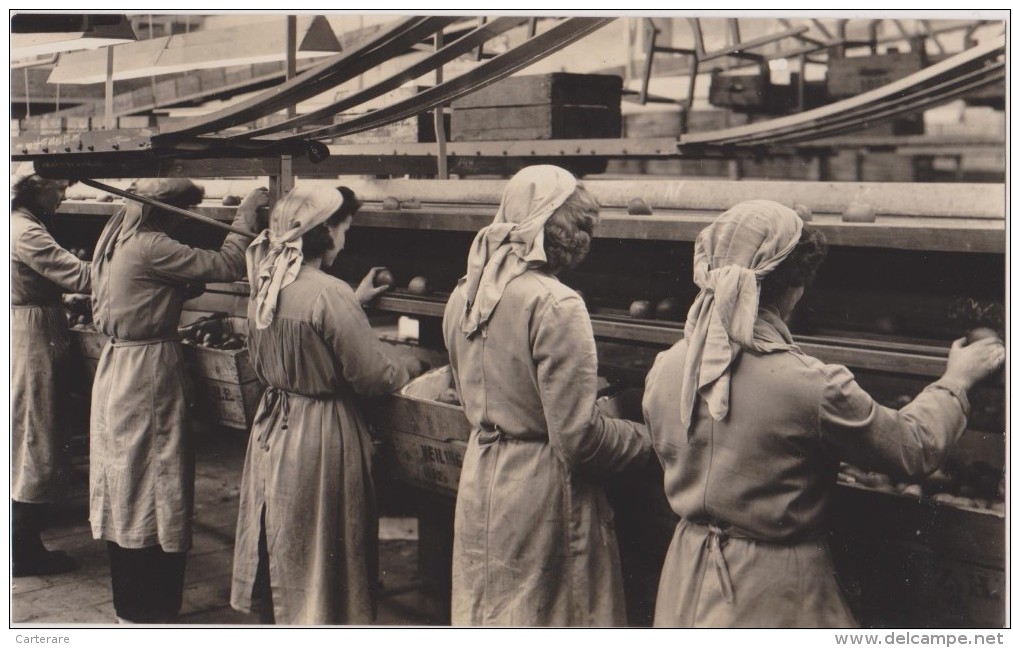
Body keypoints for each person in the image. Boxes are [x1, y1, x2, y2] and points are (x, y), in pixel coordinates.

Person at [642, 200, 1005, 628]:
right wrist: (956, 382)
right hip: (773, 589)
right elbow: (914, 449)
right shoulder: (810, 384)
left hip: (688, 570)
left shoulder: (666, 366)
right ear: (794, 289)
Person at [442, 165, 652, 626]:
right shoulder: (555, 302)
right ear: (565, 233)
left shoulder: (466, 293)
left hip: (484, 473)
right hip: (542, 489)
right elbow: (578, 439)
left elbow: (466, 389)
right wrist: (645, 439)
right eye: (583, 228)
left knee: (492, 609)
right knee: (551, 614)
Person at [231, 184, 424, 625]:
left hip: (274, 426)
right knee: (322, 547)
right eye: (344, 228)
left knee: (280, 534)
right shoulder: (328, 293)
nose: (346, 239)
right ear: (324, 233)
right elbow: (371, 376)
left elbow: (300, 327)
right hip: (319, 435)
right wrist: (409, 366)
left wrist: (354, 303)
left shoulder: (268, 281)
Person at [89, 179, 266, 623]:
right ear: (163, 211)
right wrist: (246, 214)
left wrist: (173, 290)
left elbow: (143, 290)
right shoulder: (151, 245)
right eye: (182, 212)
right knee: (156, 479)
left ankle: (130, 603)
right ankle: (152, 607)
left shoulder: (115, 238)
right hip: (146, 373)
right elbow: (228, 263)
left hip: (117, 365)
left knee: (126, 482)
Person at [11, 173, 91, 577]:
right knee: (35, 434)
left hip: (26, 325)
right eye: (58, 188)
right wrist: (133, 273)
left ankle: (21, 542)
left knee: (28, 432)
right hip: (32, 334)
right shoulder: (25, 231)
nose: (63, 194)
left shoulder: (20, 223)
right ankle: (22, 548)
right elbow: (78, 274)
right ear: (32, 188)